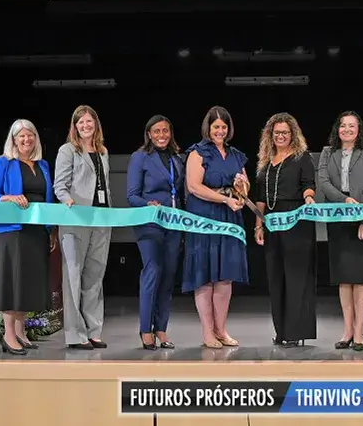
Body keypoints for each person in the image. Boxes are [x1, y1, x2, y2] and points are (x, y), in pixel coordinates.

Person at [0, 119, 56, 356]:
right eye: (21, 136)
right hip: (12, 232)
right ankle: (7, 335)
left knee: (26, 282)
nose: (26, 140)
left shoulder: (43, 165)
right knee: (12, 281)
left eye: (30, 136)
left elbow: (48, 199)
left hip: (36, 232)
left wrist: (50, 229)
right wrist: (10, 197)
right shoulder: (3, 163)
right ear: (13, 139)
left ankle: (20, 331)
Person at [183, 106, 249, 348]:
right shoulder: (198, 153)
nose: (220, 131)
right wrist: (224, 199)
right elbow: (193, 186)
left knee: (225, 277)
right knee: (205, 275)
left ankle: (221, 330)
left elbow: (244, 185)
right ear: (208, 128)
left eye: (223, 127)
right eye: (216, 127)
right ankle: (207, 333)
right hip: (204, 218)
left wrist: (242, 189)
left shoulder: (235, 155)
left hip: (229, 218)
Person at [316, 111, 363, 351]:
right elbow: (323, 181)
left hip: (361, 220)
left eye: (351, 126)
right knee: (344, 278)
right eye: (343, 126)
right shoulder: (327, 152)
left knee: (360, 278)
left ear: (359, 129)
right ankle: (347, 330)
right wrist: (342, 200)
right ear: (337, 129)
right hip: (338, 219)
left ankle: (359, 331)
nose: (347, 129)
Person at [253, 112, 318, 347]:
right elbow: (260, 197)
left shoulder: (302, 158)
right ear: (270, 135)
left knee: (296, 278)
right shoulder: (265, 161)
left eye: (285, 133)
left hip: (296, 223)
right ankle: (281, 332)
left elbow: (308, 185)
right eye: (277, 132)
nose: (280, 136)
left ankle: (295, 331)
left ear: (293, 135)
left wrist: (309, 198)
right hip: (271, 223)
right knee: (276, 279)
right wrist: (258, 225)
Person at [54, 105, 113, 350]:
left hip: (101, 219)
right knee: (73, 278)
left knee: (94, 278)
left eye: (89, 122)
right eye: (81, 123)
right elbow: (60, 186)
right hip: (75, 221)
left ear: (96, 124)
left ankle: (93, 331)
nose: (85, 126)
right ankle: (75, 335)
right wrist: (69, 201)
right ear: (75, 126)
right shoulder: (68, 150)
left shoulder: (103, 151)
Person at [127, 114, 185, 350]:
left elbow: (179, 192)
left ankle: (161, 329)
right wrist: (147, 205)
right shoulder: (140, 157)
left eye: (166, 131)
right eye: (157, 131)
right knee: (153, 272)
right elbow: (132, 195)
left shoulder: (176, 158)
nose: (162, 135)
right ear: (149, 134)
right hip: (149, 224)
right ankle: (145, 330)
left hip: (174, 224)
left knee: (169, 277)